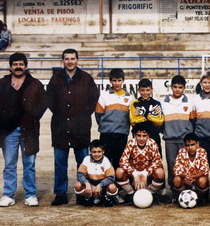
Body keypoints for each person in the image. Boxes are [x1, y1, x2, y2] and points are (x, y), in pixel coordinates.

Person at [47, 48, 100, 206]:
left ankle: (82, 192)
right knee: (60, 163)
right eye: (66, 59)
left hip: (80, 128)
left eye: (72, 58)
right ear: (62, 61)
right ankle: (60, 194)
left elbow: (93, 100)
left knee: (82, 163)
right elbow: (50, 101)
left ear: (77, 60)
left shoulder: (86, 78)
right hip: (60, 127)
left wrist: (81, 116)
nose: (69, 61)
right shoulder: (55, 79)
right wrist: (62, 114)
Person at [0, 53, 47, 207]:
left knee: (29, 164)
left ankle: (31, 194)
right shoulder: (3, 83)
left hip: (29, 130)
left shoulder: (35, 84)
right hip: (9, 131)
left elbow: (43, 103)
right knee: (9, 164)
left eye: (21, 64)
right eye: (15, 64)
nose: (18, 67)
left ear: (26, 66)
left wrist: (33, 117)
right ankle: (8, 194)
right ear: (10, 66)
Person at [116, 122, 165, 205]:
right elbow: (123, 161)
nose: (141, 138)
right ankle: (130, 194)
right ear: (135, 135)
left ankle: (150, 194)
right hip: (134, 173)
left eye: (144, 136)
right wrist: (135, 174)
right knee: (119, 171)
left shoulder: (152, 143)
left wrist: (145, 173)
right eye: (139, 135)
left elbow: (158, 161)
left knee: (160, 172)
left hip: (147, 174)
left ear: (148, 136)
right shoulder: (131, 143)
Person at [161, 75, 195, 195]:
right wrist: (167, 131)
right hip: (170, 139)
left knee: (186, 163)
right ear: (171, 87)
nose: (177, 89)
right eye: (175, 87)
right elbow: (161, 122)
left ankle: (188, 187)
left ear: (184, 88)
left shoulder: (189, 102)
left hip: (184, 139)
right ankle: (174, 190)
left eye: (180, 87)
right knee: (172, 164)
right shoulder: (164, 103)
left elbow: (193, 120)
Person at [95, 68, 132, 169]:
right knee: (105, 160)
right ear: (110, 81)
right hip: (106, 133)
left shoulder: (129, 97)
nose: (117, 83)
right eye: (114, 80)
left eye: (119, 80)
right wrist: (106, 126)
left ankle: (118, 183)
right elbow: (98, 114)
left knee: (119, 160)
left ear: (123, 80)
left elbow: (130, 116)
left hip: (122, 134)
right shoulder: (104, 95)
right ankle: (106, 183)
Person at [74, 139, 118, 207]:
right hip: (91, 184)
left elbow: (111, 178)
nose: (97, 154)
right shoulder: (86, 159)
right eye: (94, 152)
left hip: (102, 186)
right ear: (90, 152)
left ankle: (106, 198)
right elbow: (80, 174)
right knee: (78, 185)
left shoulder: (106, 161)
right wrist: (87, 183)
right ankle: (88, 197)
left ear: (103, 151)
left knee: (112, 187)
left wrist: (100, 185)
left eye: (99, 152)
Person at [172, 133, 210, 205]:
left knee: (203, 181)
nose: (190, 148)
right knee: (176, 180)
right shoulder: (182, 152)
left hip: (196, 178)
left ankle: (200, 198)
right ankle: (180, 197)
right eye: (187, 145)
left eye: (192, 144)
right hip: (185, 179)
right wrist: (185, 176)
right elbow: (176, 169)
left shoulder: (202, 152)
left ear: (197, 144)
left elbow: (204, 170)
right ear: (185, 146)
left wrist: (192, 177)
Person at [129, 78, 164, 155]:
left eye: (147, 90)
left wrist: (145, 115)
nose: (145, 93)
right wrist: (151, 116)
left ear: (152, 90)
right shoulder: (135, 103)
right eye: (142, 90)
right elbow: (133, 121)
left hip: (154, 136)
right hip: (139, 137)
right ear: (138, 90)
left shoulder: (156, 103)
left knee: (156, 160)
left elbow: (160, 122)